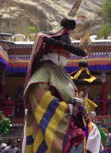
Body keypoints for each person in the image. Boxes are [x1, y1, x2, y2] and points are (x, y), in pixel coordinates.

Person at [22, 18, 88, 152]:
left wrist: (81, 110)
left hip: (72, 130)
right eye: (65, 51)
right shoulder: (42, 75)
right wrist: (71, 109)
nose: (68, 55)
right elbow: (43, 102)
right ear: (55, 51)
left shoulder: (61, 72)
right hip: (52, 134)